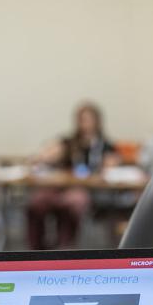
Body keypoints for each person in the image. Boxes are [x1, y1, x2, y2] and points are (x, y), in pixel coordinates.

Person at [26, 101, 120, 249]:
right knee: (37, 202)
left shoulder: (105, 146)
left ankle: (65, 248)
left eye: (88, 119)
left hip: (87, 191)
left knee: (73, 202)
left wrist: (108, 165)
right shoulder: (67, 142)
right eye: (81, 119)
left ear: (97, 121)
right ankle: (36, 250)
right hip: (59, 188)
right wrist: (46, 155)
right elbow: (43, 157)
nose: (85, 124)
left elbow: (110, 168)